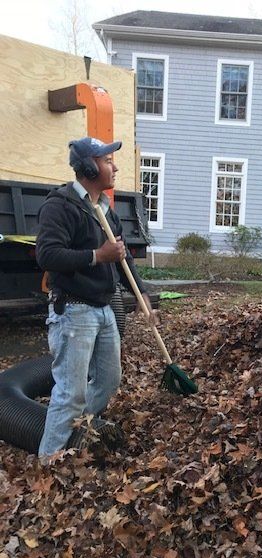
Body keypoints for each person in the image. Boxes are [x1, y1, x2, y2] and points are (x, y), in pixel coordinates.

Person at [36, 136, 157, 457]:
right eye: (107, 161)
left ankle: (75, 438)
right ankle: (47, 466)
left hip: (103, 311)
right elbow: (47, 256)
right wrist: (96, 256)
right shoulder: (60, 206)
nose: (114, 167)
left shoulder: (106, 208)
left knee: (107, 382)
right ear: (89, 167)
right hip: (73, 312)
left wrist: (142, 292)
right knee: (70, 394)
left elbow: (122, 257)